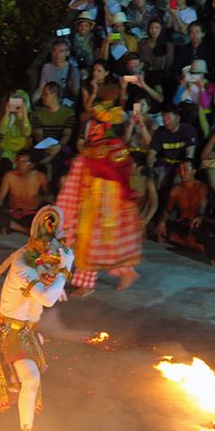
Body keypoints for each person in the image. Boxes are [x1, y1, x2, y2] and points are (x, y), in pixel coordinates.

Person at [0, 206, 73, 431]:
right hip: (11, 333)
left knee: (23, 380)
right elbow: (47, 300)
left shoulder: (38, 258)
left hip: (27, 332)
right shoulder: (23, 264)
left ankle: (11, 385)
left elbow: (48, 283)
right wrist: (66, 269)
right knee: (31, 380)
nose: (52, 257)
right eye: (48, 252)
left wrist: (56, 276)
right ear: (36, 245)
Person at [57, 98, 143, 297]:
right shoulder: (89, 152)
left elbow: (121, 174)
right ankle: (124, 273)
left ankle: (89, 284)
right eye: (92, 124)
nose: (93, 127)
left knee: (99, 244)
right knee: (91, 243)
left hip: (106, 207)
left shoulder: (115, 149)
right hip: (89, 203)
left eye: (97, 124)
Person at [0, 152, 49, 235]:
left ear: (31, 165)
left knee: (43, 222)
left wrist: (40, 199)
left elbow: (50, 196)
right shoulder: (9, 176)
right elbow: (0, 197)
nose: (21, 164)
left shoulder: (39, 177)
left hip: (31, 213)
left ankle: (13, 227)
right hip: (13, 212)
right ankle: (23, 230)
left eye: (25, 162)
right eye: (19, 161)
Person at [31, 81, 76, 186]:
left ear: (54, 95)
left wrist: (58, 146)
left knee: (60, 159)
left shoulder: (68, 113)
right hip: (44, 145)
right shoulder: (38, 114)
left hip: (61, 146)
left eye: (45, 94)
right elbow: (38, 134)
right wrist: (47, 147)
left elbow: (67, 134)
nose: (42, 97)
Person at [156, 160, 209, 247]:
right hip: (183, 223)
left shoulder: (201, 187)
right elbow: (168, 209)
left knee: (198, 228)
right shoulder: (176, 189)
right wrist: (162, 221)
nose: (182, 173)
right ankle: (191, 244)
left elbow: (203, 207)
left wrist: (200, 217)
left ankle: (188, 243)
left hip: (196, 223)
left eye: (185, 170)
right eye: (180, 170)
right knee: (163, 229)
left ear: (194, 171)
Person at [148, 104, 199, 193]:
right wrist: (149, 168)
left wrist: (181, 170)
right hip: (165, 163)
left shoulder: (188, 130)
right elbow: (152, 153)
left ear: (178, 118)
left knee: (178, 181)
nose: (166, 122)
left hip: (181, 164)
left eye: (168, 119)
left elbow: (189, 155)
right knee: (154, 179)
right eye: (164, 120)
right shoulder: (160, 132)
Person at [32, 39, 81, 105]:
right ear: (51, 52)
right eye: (54, 50)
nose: (57, 54)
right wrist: (32, 102)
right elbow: (41, 88)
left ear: (67, 53)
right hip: (48, 101)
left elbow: (76, 92)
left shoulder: (73, 70)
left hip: (64, 103)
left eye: (61, 51)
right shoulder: (46, 68)